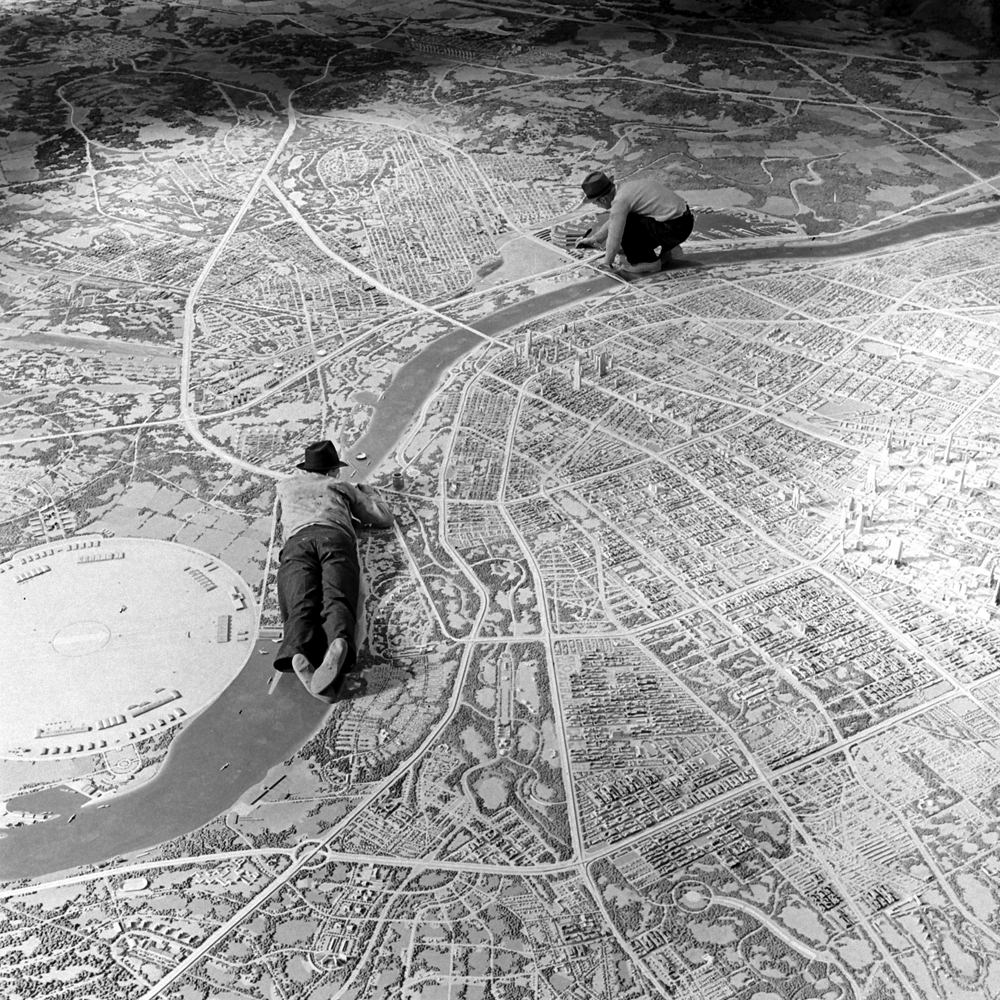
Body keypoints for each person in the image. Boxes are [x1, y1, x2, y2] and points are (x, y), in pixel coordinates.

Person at [273, 440, 394, 703]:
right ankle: (337, 642)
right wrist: (369, 493)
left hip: (297, 544)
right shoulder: (338, 486)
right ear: (332, 471)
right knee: (337, 597)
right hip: (333, 538)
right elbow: (382, 519)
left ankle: (298, 651)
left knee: (300, 605)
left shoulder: (285, 486)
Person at [576, 170, 694, 275]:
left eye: (596, 203)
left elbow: (615, 237)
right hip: (684, 222)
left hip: (674, 229)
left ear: (603, 199)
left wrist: (607, 263)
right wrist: (596, 239)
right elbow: (615, 218)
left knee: (627, 227)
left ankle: (650, 264)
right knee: (630, 217)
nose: (597, 205)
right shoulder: (625, 189)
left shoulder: (620, 202)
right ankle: (667, 253)